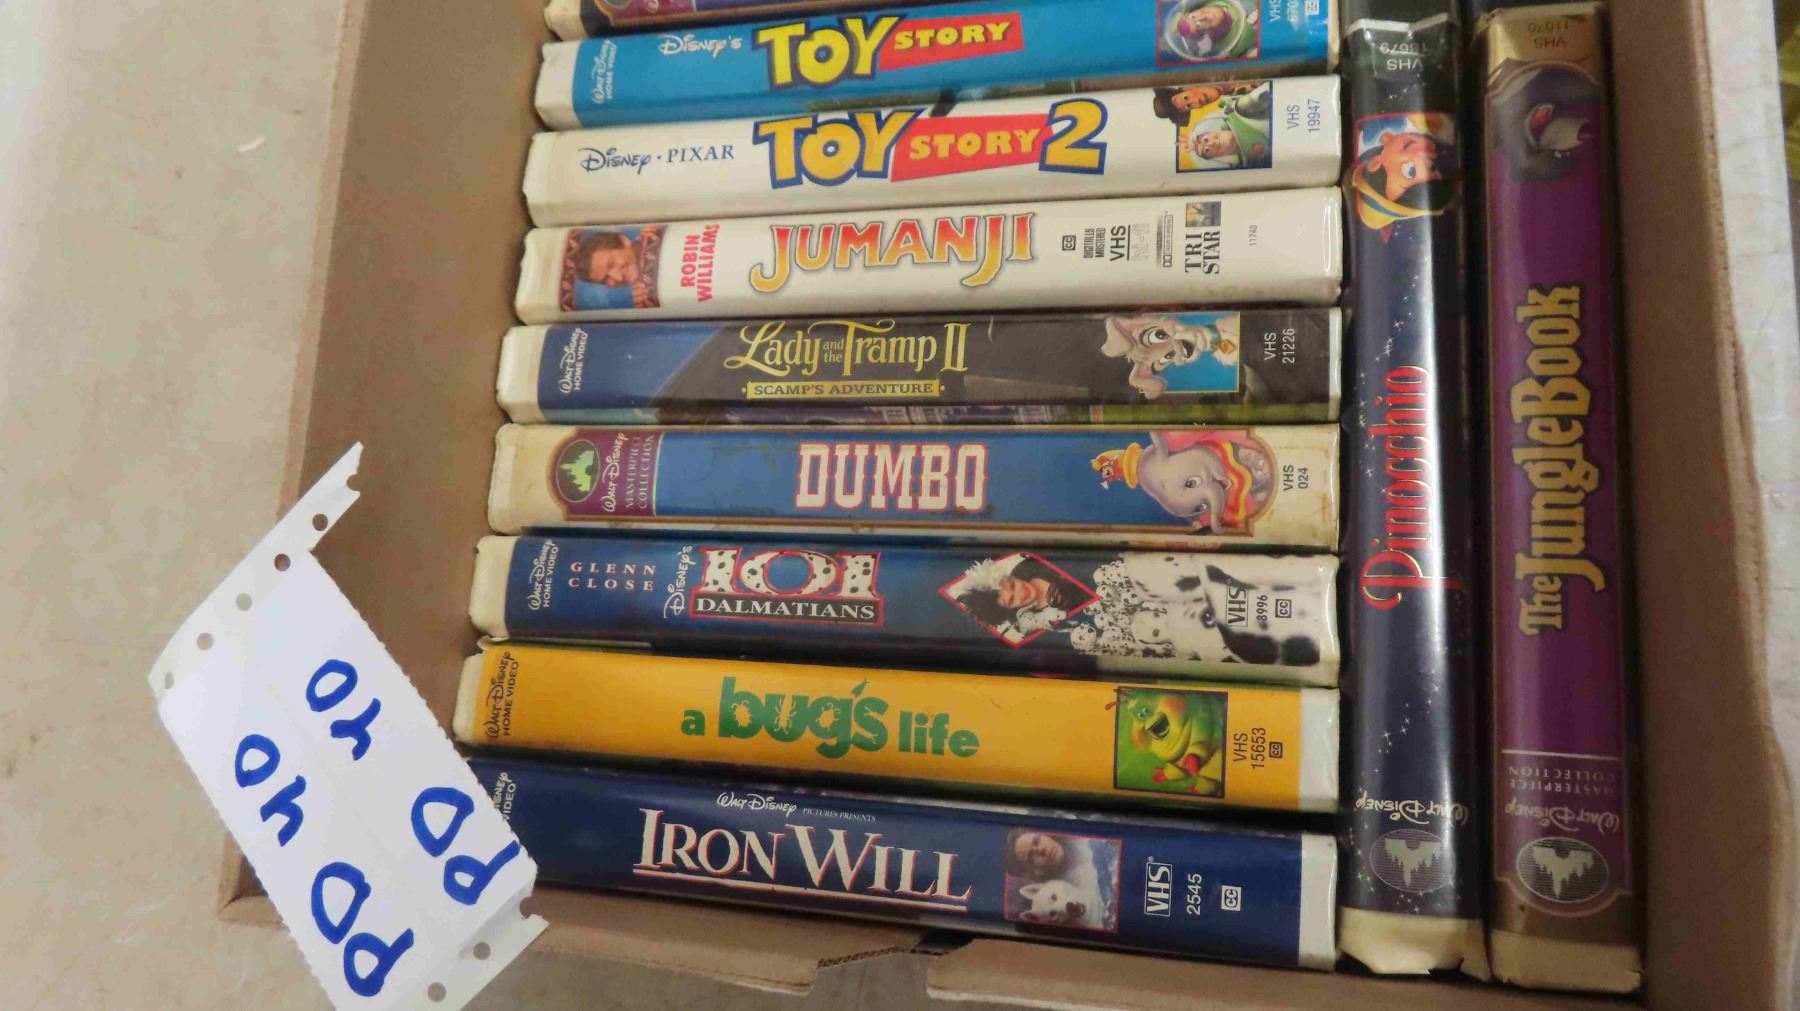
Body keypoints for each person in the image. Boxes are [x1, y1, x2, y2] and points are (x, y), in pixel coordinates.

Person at [951, 555, 1088, 640]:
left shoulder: (1029, 566)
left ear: (1010, 576)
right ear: (1008, 610)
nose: (1021, 593)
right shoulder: (1029, 625)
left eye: (1013, 585)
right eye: (1012, 600)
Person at [569, 228, 655, 308]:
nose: (618, 277)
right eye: (605, 279)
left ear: (624, 241)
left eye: (611, 263)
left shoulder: (653, 233)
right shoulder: (644, 301)